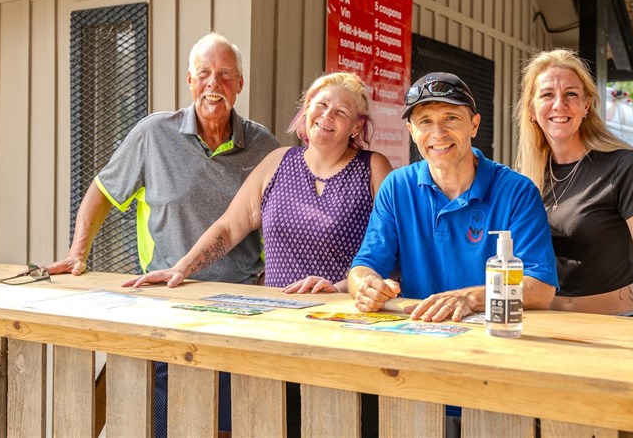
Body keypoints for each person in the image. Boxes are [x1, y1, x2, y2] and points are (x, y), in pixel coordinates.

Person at [124, 71, 392, 438]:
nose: (327, 116)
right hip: (275, 330)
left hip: (342, 332)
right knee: (270, 422)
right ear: (306, 109)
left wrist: (341, 287)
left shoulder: (373, 168)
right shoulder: (277, 162)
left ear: (357, 126)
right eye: (320, 105)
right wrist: (181, 268)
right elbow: (229, 227)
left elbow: (391, 252)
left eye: (341, 112)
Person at [46, 31, 280, 437]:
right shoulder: (153, 134)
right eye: (204, 73)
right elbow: (102, 191)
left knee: (228, 426)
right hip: (166, 304)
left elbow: (281, 218)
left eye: (225, 74)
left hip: (237, 312)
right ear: (190, 80)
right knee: (164, 425)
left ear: (240, 84)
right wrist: (77, 253)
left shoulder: (264, 146)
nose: (214, 83)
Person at [347, 72, 558, 322]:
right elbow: (365, 265)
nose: (438, 133)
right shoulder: (396, 187)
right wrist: (365, 286)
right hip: (417, 330)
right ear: (411, 131)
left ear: (474, 125)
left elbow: (541, 287)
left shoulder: (517, 191)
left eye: (451, 118)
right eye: (425, 121)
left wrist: (470, 298)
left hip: (494, 332)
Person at [514, 48, 633, 330]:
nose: (559, 104)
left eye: (571, 94)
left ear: (586, 106)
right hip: (546, 328)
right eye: (547, 94)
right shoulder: (525, 181)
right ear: (531, 110)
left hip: (616, 325)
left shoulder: (622, 166)